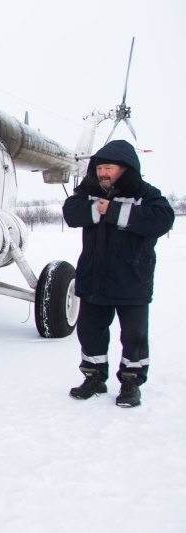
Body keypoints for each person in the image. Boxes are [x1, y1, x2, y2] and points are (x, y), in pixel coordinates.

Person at [63, 139, 174, 408]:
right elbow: (71, 213)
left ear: (125, 169)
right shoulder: (89, 191)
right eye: (99, 167)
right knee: (90, 333)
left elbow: (162, 219)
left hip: (132, 280)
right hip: (93, 279)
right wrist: (95, 209)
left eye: (108, 167)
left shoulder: (146, 194)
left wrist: (113, 211)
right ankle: (94, 378)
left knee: (134, 337)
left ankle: (131, 383)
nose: (102, 173)